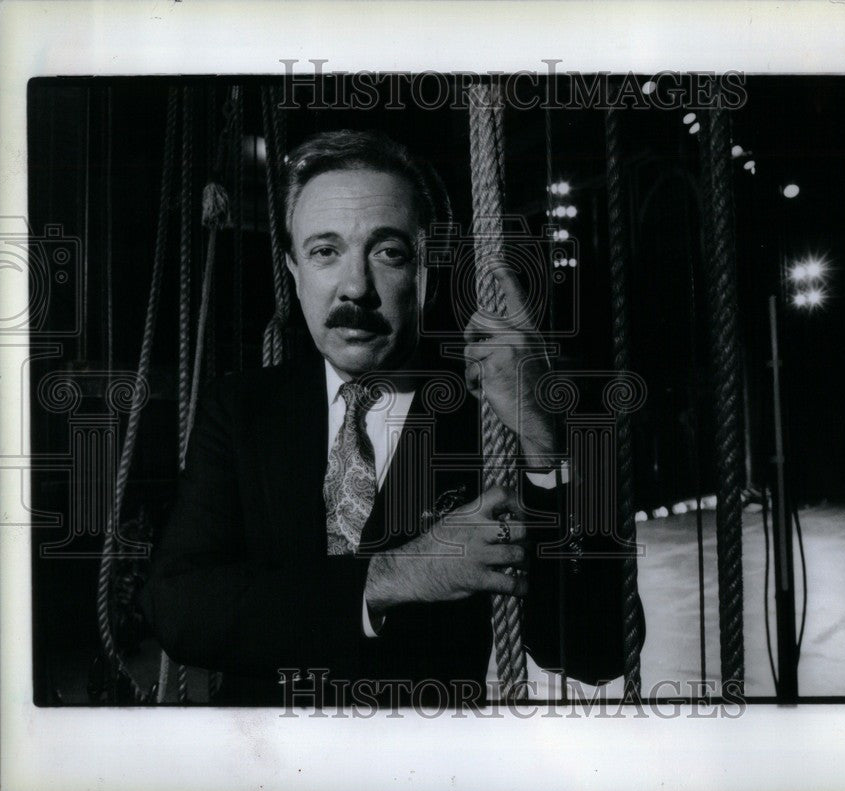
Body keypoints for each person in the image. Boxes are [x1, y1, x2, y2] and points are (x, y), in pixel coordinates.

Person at [142, 129, 642, 707]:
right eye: (325, 252)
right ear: (294, 269)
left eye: (388, 252)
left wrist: (541, 435)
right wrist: (397, 576)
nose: (355, 287)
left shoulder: (489, 419)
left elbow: (596, 651)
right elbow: (177, 606)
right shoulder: (240, 409)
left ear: (426, 267)